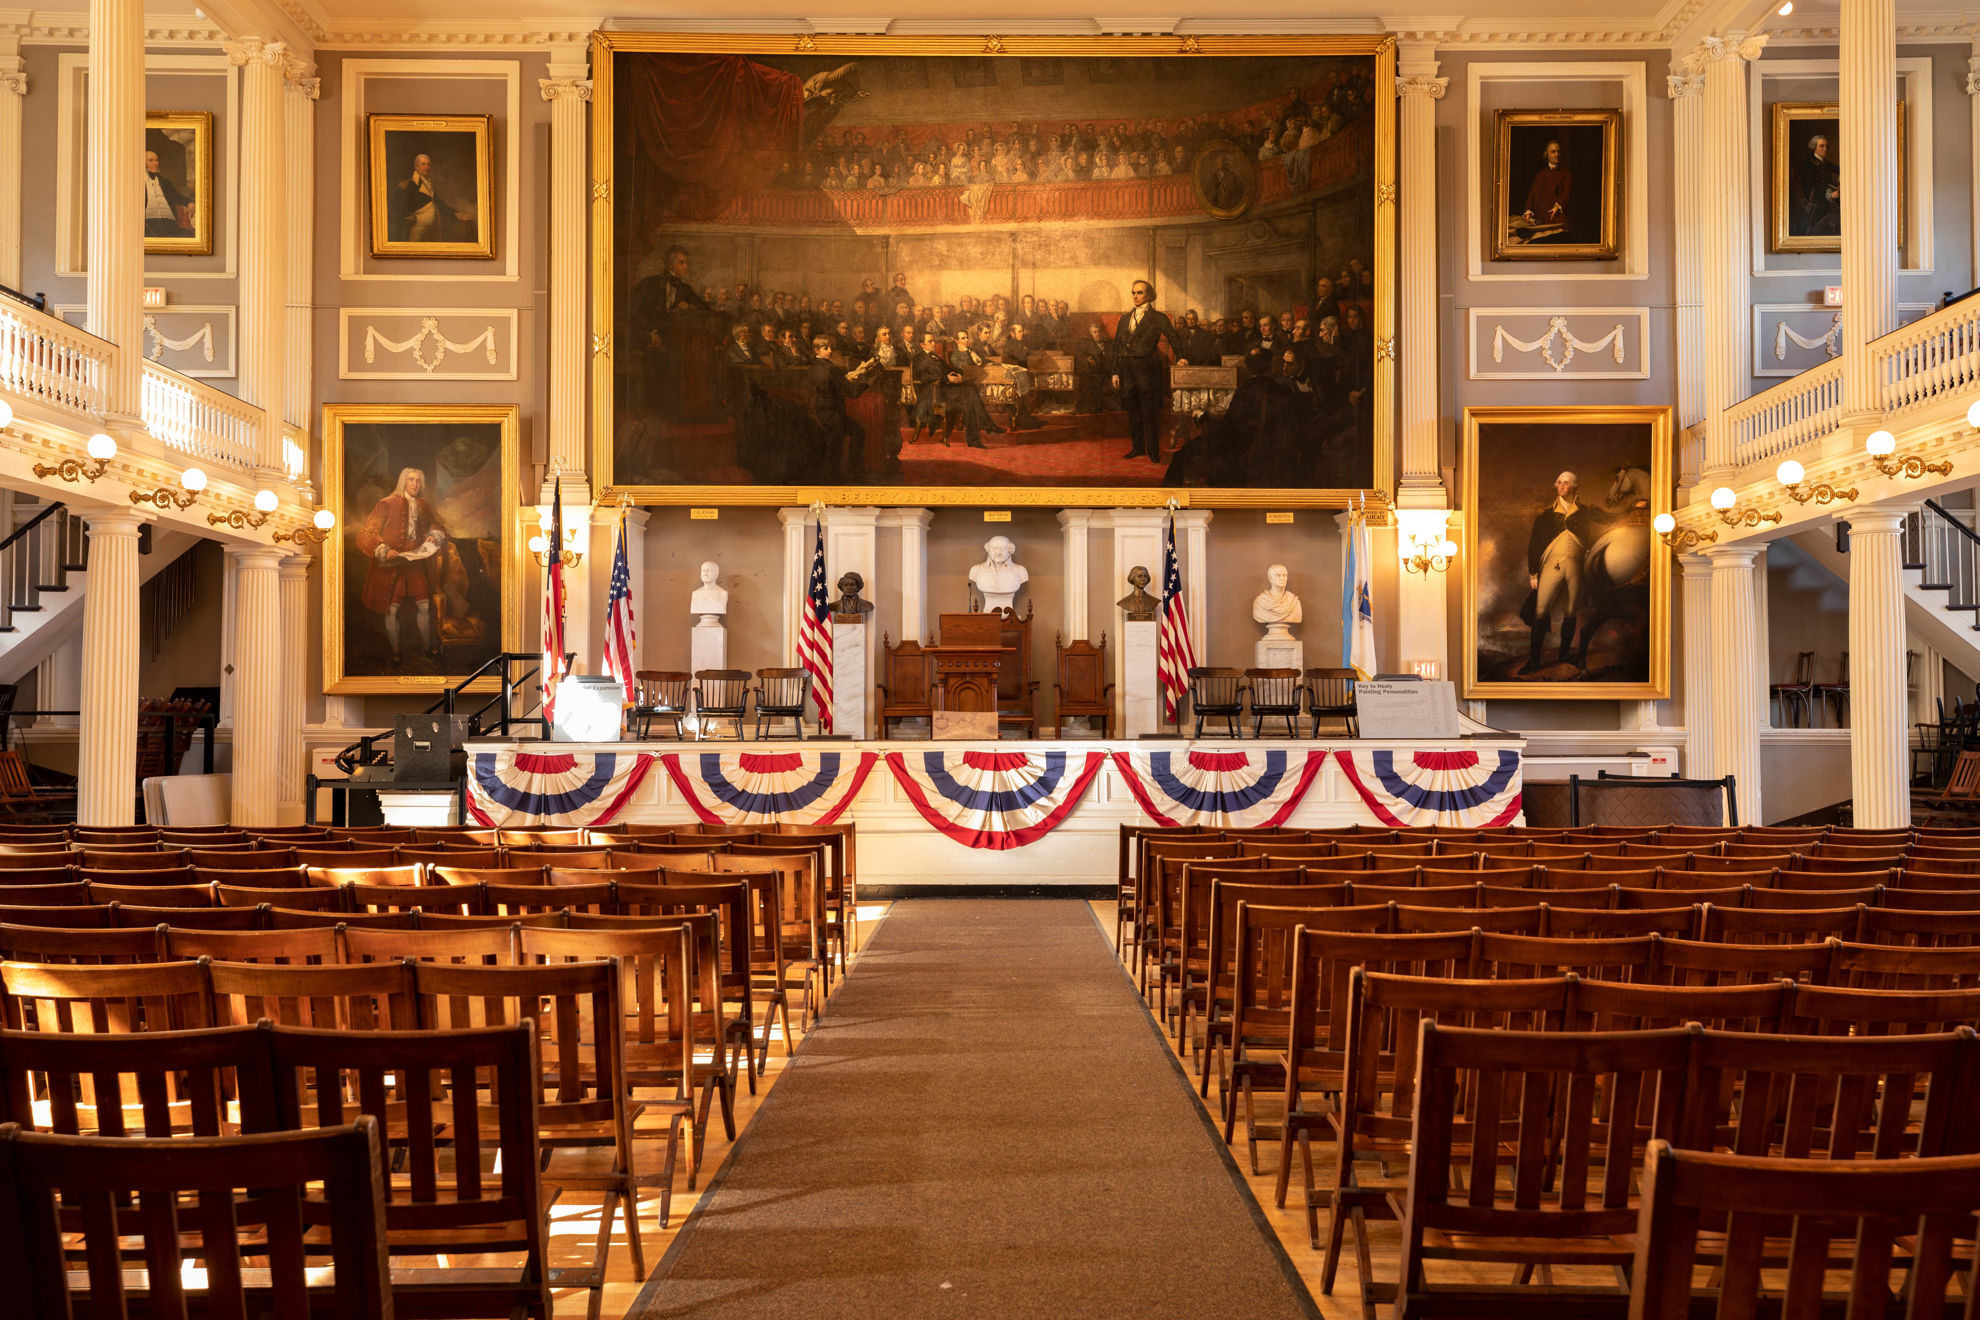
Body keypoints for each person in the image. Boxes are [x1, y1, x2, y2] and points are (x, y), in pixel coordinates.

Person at [355, 467, 449, 670]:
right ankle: (396, 652)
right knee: (392, 609)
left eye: (418, 481)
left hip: (415, 563)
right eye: (411, 480)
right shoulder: (387, 503)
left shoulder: (423, 505)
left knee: (424, 606)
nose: (415, 484)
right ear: (403, 482)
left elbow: (437, 525)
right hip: (392, 564)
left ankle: (426, 648)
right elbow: (367, 532)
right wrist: (383, 548)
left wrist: (434, 534)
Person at [1523, 470, 1599, 673]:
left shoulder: (1584, 513)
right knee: (1540, 612)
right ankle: (1534, 660)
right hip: (1551, 565)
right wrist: (1533, 573)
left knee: (1570, 611)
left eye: (1566, 483)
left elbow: (1603, 523)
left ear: (1574, 487)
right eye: (1559, 482)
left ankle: (1564, 653)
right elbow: (1534, 545)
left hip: (1575, 567)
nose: (1561, 486)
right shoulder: (1545, 515)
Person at [1110, 279, 1188, 461]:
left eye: (1140, 293)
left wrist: (1182, 356)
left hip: (1147, 371)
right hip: (1127, 371)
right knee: (1133, 411)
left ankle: (1153, 450)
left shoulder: (1159, 318)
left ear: (1149, 295)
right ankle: (1138, 448)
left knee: (1149, 412)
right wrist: (1115, 371)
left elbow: (1174, 338)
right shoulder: (1124, 318)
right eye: (1133, 293)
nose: (1135, 296)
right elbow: (1117, 347)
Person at [807, 334, 881, 479]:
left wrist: (847, 379)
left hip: (819, 412)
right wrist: (868, 380)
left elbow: (832, 385)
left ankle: (841, 474)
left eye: (831, 348)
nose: (830, 351)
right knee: (841, 441)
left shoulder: (814, 367)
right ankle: (852, 474)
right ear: (816, 350)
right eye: (825, 348)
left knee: (854, 433)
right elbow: (852, 393)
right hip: (833, 414)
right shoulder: (830, 368)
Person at [391, 152, 473, 244]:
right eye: (423, 164)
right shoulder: (407, 185)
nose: (427, 167)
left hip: (433, 230)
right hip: (416, 229)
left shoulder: (428, 186)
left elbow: (440, 205)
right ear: (416, 166)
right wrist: (409, 217)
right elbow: (397, 206)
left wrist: (459, 216)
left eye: (428, 165)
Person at [1518, 138, 1574, 239]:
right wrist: (1528, 211)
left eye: (1558, 151)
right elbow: (1532, 195)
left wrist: (1558, 206)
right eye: (1553, 152)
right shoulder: (1540, 175)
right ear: (1546, 154)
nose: (1556, 154)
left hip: (1557, 217)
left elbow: (1566, 194)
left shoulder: (1566, 173)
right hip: (1540, 218)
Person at [1793, 132, 1841, 236]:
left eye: (1827, 146)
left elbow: (1840, 170)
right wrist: (1831, 195)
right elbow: (1810, 189)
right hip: (1816, 205)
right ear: (1814, 147)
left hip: (1827, 202)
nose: (1825, 149)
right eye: (1822, 146)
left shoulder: (1825, 163)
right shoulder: (1808, 165)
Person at [142, 148, 195, 238]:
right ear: (143, 162)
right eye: (151, 161)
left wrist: (189, 202)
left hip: (170, 222)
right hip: (150, 223)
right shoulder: (137, 181)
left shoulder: (164, 181)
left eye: (156, 160)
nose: (155, 163)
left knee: (188, 234)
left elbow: (176, 196)